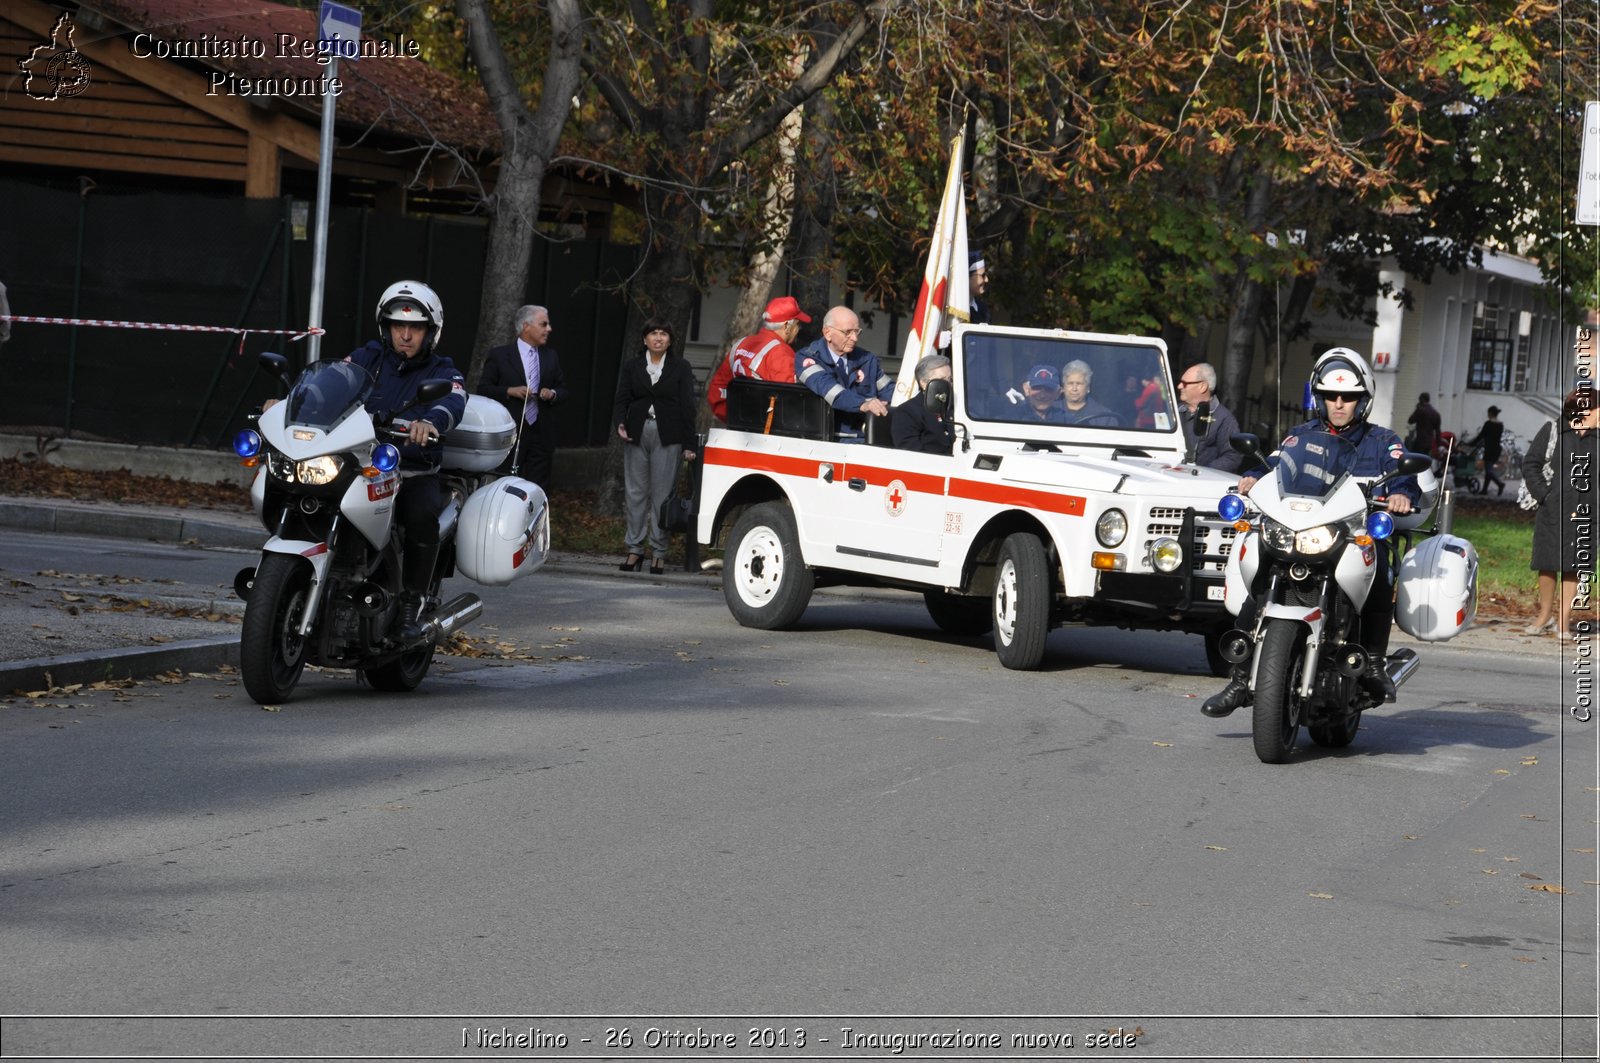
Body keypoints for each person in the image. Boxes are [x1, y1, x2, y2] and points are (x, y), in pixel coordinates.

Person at [1202, 347, 1419, 718]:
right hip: (1298, 529)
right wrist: (1255, 476)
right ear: (1319, 398)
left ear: (1361, 400)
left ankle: (1376, 664)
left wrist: (1400, 494)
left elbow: (1405, 476)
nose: (1339, 404)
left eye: (1348, 397)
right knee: (1263, 572)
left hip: (1348, 536)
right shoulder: (1298, 436)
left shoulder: (1383, 441)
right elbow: (1274, 467)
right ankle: (1239, 679)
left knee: (1380, 562)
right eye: (1331, 396)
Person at [267, 280, 466, 640]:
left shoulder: (443, 370)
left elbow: (453, 400)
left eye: (415, 328)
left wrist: (429, 422)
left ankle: (411, 605)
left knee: (420, 516)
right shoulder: (365, 358)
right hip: (356, 463)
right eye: (397, 325)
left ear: (430, 331)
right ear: (385, 327)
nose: (405, 335)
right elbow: (327, 386)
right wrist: (288, 404)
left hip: (409, 468)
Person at [613, 319, 699, 574]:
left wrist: (689, 442)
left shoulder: (680, 367)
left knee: (663, 495)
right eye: (653, 333)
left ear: (670, 340)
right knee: (635, 493)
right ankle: (634, 550)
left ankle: (659, 552)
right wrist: (620, 423)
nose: (658, 338)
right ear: (645, 339)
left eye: (663, 333)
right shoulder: (632, 366)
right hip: (637, 432)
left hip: (668, 434)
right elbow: (622, 399)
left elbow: (687, 405)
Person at [1523, 386, 1599, 641]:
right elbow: (1531, 463)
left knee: (1575, 567)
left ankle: (1564, 620)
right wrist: (1545, 495)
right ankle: (1545, 616)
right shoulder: (1554, 430)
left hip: (1588, 512)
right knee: (1547, 563)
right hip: (1554, 510)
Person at [474, 305, 568, 493]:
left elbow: (563, 389)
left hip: (541, 432)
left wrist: (552, 394)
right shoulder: (500, 355)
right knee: (505, 481)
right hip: (510, 429)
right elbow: (483, 389)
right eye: (544, 324)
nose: (549, 329)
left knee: (538, 487)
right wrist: (509, 391)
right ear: (526, 326)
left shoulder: (550, 356)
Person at [794, 305, 893, 441]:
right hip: (829, 440)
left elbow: (889, 390)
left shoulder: (866, 359)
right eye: (848, 332)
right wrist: (864, 404)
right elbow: (831, 391)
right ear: (827, 333)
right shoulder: (807, 359)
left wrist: (884, 404)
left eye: (857, 332)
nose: (855, 338)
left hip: (867, 437)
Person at [707, 295, 811, 422]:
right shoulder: (781, 352)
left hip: (736, 428)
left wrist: (736, 418)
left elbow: (716, 391)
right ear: (786, 326)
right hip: (764, 432)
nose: (798, 329)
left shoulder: (741, 344)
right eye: (797, 324)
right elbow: (789, 403)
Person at [1177, 362, 1242, 472]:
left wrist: (1201, 472)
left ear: (1202, 387)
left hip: (1200, 485)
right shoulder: (1174, 412)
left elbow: (1232, 457)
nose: (1179, 386)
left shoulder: (1225, 419)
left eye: (1185, 383)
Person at [892, 354, 956, 453]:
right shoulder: (907, 412)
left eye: (950, 379)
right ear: (924, 383)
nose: (948, 384)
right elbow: (910, 452)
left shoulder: (955, 407)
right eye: (943, 380)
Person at [1059, 360, 1120, 426]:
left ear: (1088, 387)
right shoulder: (1049, 410)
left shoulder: (1105, 417)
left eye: (1079, 384)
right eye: (1070, 383)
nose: (1074, 388)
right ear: (1063, 387)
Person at [1464, 405, 1506, 496]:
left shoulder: (1488, 424)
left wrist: (1471, 444)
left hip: (1490, 449)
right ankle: (1484, 490)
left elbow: (1481, 436)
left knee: (1489, 470)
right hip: (1497, 449)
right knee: (1488, 469)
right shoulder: (1500, 425)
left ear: (1490, 413)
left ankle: (1500, 484)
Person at [1407, 392, 1441, 456]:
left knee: (1415, 459)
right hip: (1429, 443)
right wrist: (1438, 445)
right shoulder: (1436, 414)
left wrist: (1417, 408)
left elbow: (1410, 421)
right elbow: (1438, 431)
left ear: (1422, 399)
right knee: (1425, 460)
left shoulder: (1420, 410)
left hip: (1420, 441)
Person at [967, 251, 990, 325]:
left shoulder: (983, 310)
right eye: (982, 275)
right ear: (967, 277)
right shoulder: (949, 309)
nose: (986, 279)